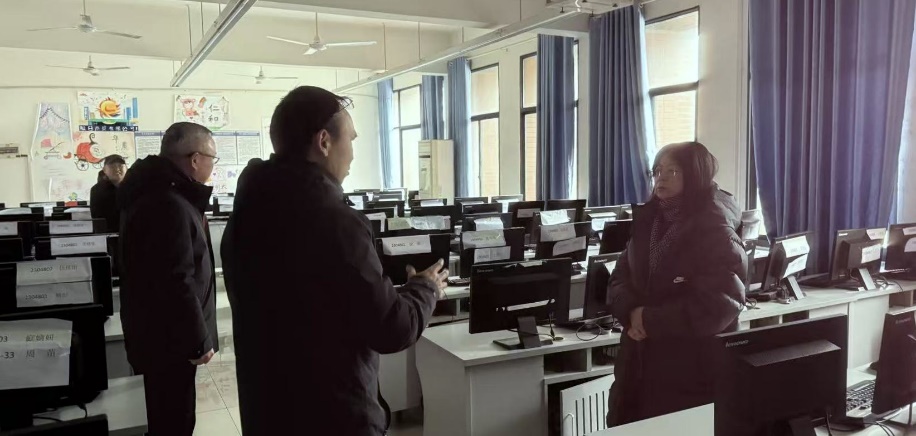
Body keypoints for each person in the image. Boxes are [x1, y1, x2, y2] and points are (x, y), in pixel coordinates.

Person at [221, 86, 447, 436]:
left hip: (267, 409)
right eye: (351, 140)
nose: (353, 154)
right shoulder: (335, 222)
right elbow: (390, 328)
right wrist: (425, 289)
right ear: (324, 141)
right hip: (334, 414)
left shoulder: (246, 214)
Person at [606, 142, 747, 426]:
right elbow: (618, 278)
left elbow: (719, 304)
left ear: (695, 175)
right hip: (638, 363)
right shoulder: (647, 221)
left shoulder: (715, 230)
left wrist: (648, 320)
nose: (662, 178)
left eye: (673, 171)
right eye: (658, 171)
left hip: (689, 369)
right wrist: (631, 312)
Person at [117, 122, 220, 436]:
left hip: (160, 335)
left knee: (168, 416)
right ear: (195, 160)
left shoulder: (158, 193)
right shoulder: (168, 203)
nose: (213, 165)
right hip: (170, 341)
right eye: (212, 158)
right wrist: (198, 339)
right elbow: (176, 280)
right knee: (174, 420)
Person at [89, 154, 127, 232]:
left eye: (120, 166)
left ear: (126, 168)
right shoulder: (98, 190)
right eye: (112, 166)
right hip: (108, 234)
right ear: (104, 170)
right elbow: (98, 220)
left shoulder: (134, 186)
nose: (117, 169)